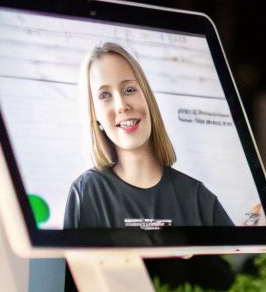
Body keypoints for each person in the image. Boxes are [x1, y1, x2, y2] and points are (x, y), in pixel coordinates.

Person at [63, 41, 234, 230]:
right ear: (94, 115)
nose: (121, 106)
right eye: (105, 95)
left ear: (148, 99)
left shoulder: (198, 197)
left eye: (129, 90)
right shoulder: (86, 192)